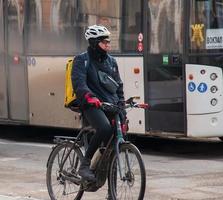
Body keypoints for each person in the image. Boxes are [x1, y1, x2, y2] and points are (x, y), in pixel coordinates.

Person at [71, 24, 126, 181]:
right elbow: (79, 83)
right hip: (91, 105)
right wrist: (89, 97)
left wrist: (122, 103)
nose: (108, 45)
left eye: (108, 42)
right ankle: (85, 165)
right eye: (104, 42)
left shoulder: (111, 62)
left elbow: (118, 85)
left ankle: (111, 193)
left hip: (110, 105)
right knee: (104, 128)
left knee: (116, 142)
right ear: (94, 43)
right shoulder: (82, 60)